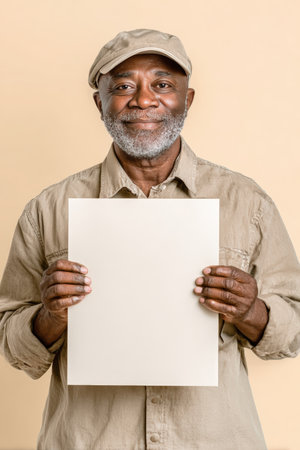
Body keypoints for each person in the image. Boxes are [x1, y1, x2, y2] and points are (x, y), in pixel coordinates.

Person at [0, 28, 299, 450]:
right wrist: (50, 317)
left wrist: (251, 311)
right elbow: (12, 345)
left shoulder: (246, 202)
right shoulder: (48, 209)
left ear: (187, 99)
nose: (143, 100)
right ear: (99, 103)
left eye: (162, 84)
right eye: (123, 86)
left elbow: (293, 333)